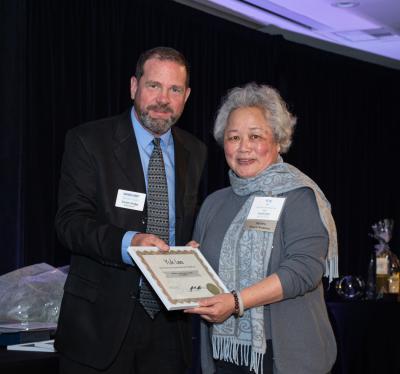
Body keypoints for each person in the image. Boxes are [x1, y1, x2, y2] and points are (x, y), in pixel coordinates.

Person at [55, 46, 207, 373]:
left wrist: (192, 249)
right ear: (134, 87)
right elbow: (70, 223)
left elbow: (185, 223)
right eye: (154, 86)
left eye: (175, 89)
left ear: (187, 95)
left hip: (169, 325)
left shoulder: (196, 151)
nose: (163, 99)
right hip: (98, 326)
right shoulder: (88, 141)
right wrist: (129, 243)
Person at [185, 83, 338, 374]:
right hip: (225, 355)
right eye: (234, 137)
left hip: (286, 356)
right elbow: (204, 276)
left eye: (255, 136)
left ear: (277, 141)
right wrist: (188, 264)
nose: (243, 147)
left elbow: (304, 270)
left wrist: (237, 301)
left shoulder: (299, 195)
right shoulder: (213, 203)